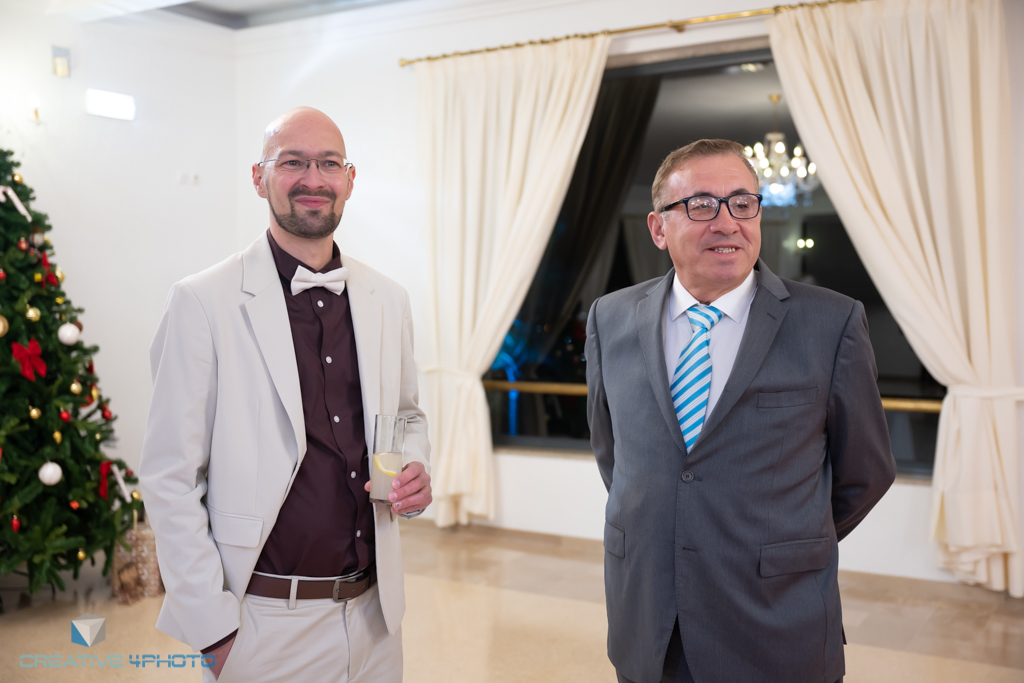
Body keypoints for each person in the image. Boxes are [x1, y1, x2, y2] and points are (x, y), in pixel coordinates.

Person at [585, 139, 895, 683]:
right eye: (702, 205)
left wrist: (780, 540)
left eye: (742, 203)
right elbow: (615, 454)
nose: (727, 222)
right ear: (658, 229)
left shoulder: (831, 323)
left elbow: (865, 473)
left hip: (776, 624)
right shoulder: (610, 318)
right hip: (649, 622)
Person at [139, 107, 431, 682]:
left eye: (329, 164)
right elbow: (170, 475)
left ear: (350, 179)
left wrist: (414, 469)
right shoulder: (202, 301)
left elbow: (406, 416)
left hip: (377, 619)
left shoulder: (388, 298)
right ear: (259, 177)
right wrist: (212, 629)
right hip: (262, 625)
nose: (313, 179)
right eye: (293, 162)